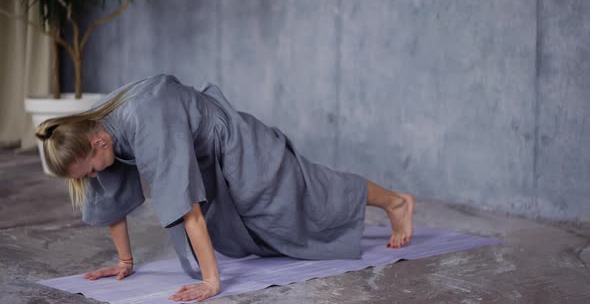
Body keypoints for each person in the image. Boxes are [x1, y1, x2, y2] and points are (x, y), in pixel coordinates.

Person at [35, 74, 414, 302]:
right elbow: (109, 196)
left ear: (98, 143)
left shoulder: (148, 121)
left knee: (305, 192)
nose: (88, 180)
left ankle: (396, 202)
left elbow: (187, 209)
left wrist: (212, 282)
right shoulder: (93, 129)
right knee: (260, 229)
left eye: (84, 173)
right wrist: (124, 262)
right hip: (205, 157)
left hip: (237, 141)